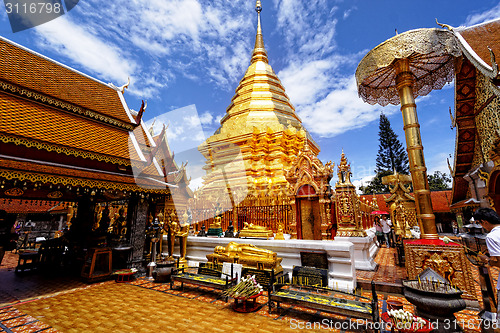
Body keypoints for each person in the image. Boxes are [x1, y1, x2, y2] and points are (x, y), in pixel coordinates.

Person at [474, 207, 500, 319]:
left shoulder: (492, 237)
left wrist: (487, 261)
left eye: (480, 223)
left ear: (484, 221)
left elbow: (499, 262)